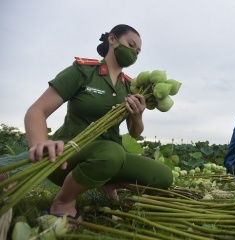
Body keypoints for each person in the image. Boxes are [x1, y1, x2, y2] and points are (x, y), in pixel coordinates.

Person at [24, 24, 173, 221]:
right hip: (68, 156)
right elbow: (36, 110)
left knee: (163, 176)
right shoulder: (83, 71)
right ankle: (64, 201)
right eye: (131, 45)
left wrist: (137, 116)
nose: (134, 53)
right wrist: (39, 143)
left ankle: (107, 182)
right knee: (111, 153)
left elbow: (135, 133)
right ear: (112, 39)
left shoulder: (130, 86)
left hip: (110, 158)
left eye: (137, 52)